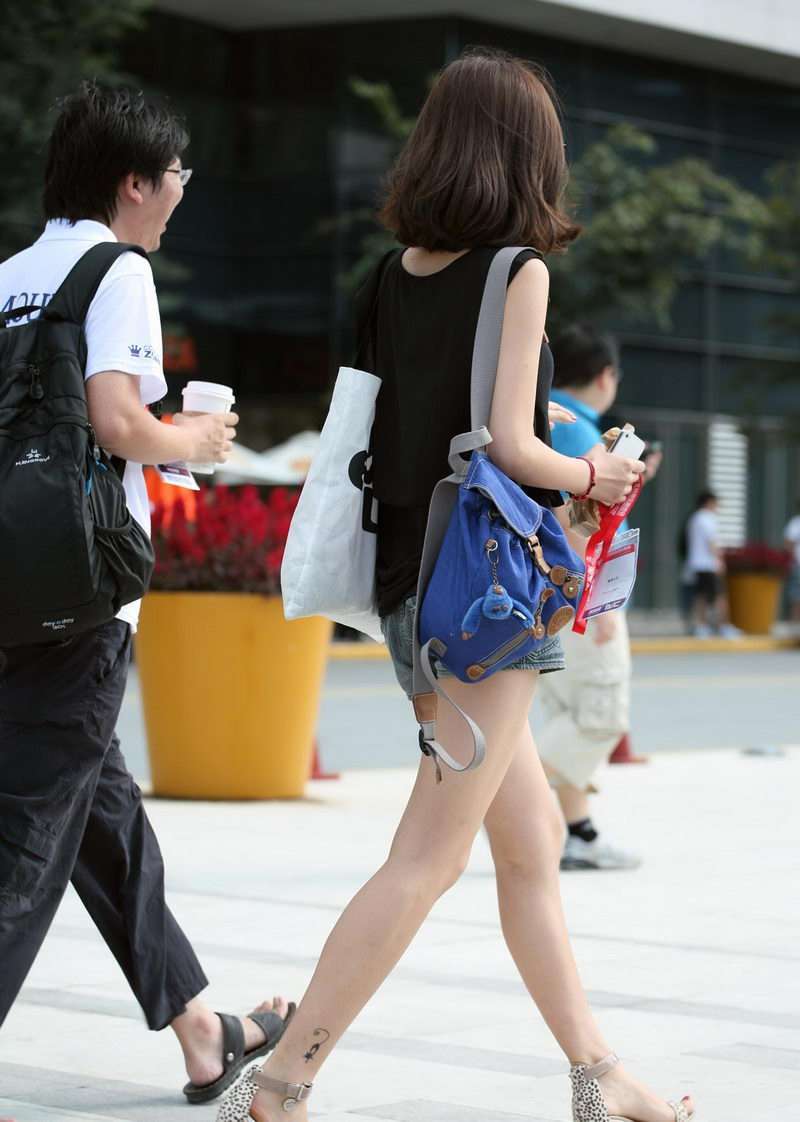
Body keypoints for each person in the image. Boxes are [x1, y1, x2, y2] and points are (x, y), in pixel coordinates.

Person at [216, 50, 692, 1122]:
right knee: (425, 860)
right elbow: (512, 445)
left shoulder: (392, 276)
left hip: (412, 590)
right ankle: (281, 1084)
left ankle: (598, 1074)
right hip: (485, 601)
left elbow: (412, 434)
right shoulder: (518, 271)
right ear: (527, 155)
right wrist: (594, 475)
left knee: (529, 849)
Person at [0, 83, 292, 1104]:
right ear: (132, 183)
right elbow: (119, 421)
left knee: (101, 817)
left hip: (10, 585)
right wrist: (196, 438)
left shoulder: (9, 277)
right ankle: (204, 1032)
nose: (179, 192)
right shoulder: (117, 270)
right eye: (175, 174)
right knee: (26, 841)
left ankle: (203, 1033)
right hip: (78, 595)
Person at [539, 324, 658, 871]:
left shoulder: (543, 420)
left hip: (548, 595)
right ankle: (507, 797)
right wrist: (598, 602)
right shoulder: (580, 432)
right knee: (599, 717)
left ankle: (576, 833)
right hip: (582, 597)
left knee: (568, 710)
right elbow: (579, 524)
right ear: (606, 376)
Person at [683, 491, 739, 638]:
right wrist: (720, 561)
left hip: (697, 564)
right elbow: (712, 542)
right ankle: (723, 626)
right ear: (709, 502)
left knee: (701, 596)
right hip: (708, 564)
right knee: (720, 596)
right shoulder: (707, 518)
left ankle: (701, 626)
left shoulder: (695, 518)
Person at [783, 503, 800, 624]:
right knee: (797, 595)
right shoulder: (796, 523)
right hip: (798, 564)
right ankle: (796, 623)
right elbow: (788, 543)